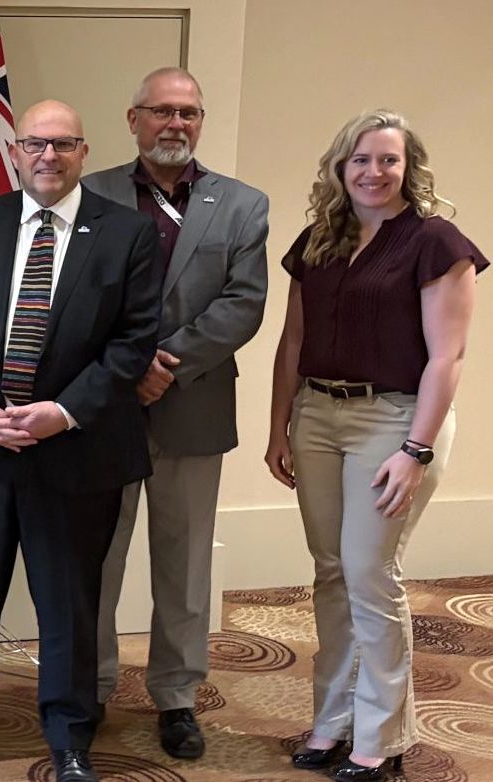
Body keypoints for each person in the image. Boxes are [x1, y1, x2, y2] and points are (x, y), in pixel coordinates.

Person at [0, 100, 160, 782]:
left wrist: (64, 411)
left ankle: (70, 738)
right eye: (35, 145)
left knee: (69, 605)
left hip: (78, 453)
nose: (48, 157)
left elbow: (134, 343)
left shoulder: (127, 235)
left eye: (63, 145)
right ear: (15, 153)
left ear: (83, 152)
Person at [264, 109, 483, 782]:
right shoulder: (318, 241)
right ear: (340, 168)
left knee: (368, 573)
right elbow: (293, 343)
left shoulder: (434, 241)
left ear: (408, 168)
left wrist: (415, 451)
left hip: (394, 421)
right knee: (331, 574)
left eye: (388, 160)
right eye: (360, 159)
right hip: (318, 417)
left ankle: (380, 739)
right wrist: (279, 426)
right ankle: (331, 723)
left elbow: (447, 358)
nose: (373, 172)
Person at [81, 66, 269, 758]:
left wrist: (168, 364)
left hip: (193, 406)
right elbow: (74, 297)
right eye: (161, 112)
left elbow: (243, 304)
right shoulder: (91, 193)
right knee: (94, 557)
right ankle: (90, 685)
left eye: (189, 113)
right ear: (133, 119)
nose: (176, 125)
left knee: (184, 563)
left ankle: (178, 697)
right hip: (104, 409)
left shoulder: (242, 205)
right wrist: (127, 370)